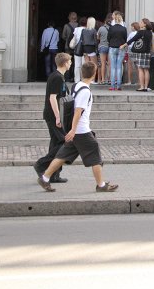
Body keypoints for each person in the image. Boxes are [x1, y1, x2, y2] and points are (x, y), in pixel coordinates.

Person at [37, 61, 118, 193]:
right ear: (94, 74)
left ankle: (45, 178)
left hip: (76, 130)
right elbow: (78, 111)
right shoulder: (85, 91)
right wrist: (74, 130)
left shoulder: (77, 85)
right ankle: (101, 185)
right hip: (81, 131)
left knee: (62, 155)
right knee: (95, 157)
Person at [32, 53, 71, 184]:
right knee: (62, 142)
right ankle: (41, 164)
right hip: (53, 115)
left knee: (55, 143)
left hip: (56, 114)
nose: (71, 63)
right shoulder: (57, 78)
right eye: (70, 61)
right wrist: (57, 117)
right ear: (65, 63)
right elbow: (52, 98)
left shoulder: (59, 77)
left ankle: (54, 174)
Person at [127, 19, 154, 91]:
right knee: (146, 70)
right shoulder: (149, 32)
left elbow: (132, 39)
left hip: (140, 52)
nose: (140, 23)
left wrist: (124, 45)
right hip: (147, 52)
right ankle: (146, 87)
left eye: (141, 22)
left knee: (140, 69)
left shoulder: (140, 32)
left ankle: (142, 86)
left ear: (145, 24)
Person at [106, 12, 128, 90]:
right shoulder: (124, 28)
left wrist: (111, 42)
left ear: (114, 19)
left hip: (112, 47)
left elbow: (108, 38)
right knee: (119, 67)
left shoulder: (111, 28)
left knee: (113, 67)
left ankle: (112, 86)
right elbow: (125, 39)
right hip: (121, 48)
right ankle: (118, 86)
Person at [60, 11, 78, 81]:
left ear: (69, 18)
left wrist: (68, 40)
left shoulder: (66, 26)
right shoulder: (78, 25)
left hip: (68, 46)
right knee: (75, 62)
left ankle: (67, 77)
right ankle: (74, 77)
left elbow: (63, 36)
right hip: (76, 46)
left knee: (67, 61)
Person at [70, 16, 87, 83]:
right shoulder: (87, 29)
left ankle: (77, 80)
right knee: (84, 65)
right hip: (85, 49)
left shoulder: (76, 29)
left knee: (77, 65)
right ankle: (83, 79)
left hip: (77, 48)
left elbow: (75, 38)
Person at [96, 14, 111, 85]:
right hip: (110, 46)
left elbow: (98, 38)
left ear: (105, 22)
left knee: (103, 64)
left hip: (102, 46)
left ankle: (103, 79)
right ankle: (109, 79)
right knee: (109, 64)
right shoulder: (112, 28)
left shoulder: (101, 28)